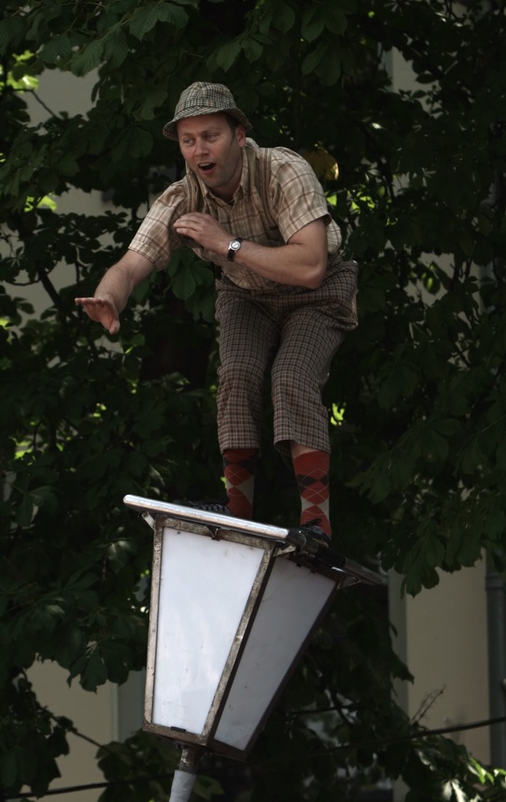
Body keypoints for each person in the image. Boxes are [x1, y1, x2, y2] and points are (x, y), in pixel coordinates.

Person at [76, 82, 357, 541]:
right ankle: (237, 513)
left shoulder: (282, 170)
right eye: (188, 141)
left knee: (291, 376)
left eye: (211, 136)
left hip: (318, 294)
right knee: (237, 376)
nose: (199, 150)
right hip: (247, 297)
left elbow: (309, 267)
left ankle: (317, 525)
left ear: (239, 134)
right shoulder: (182, 197)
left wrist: (224, 243)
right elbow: (130, 264)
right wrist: (109, 297)